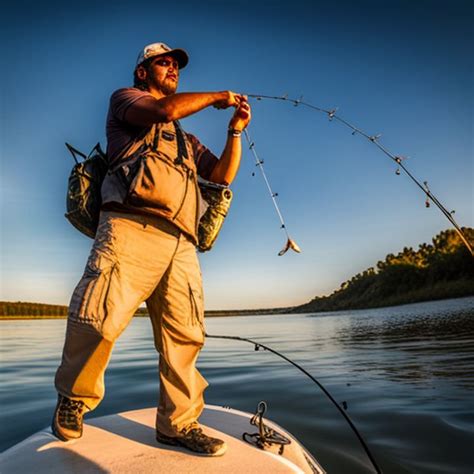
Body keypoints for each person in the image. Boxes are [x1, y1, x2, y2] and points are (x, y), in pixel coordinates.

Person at [52, 42, 251, 457]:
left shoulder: (186, 138)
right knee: (101, 316)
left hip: (181, 242)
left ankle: (177, 424)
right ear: (143, 72)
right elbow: (164, 111)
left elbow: (220, 175)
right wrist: (216, 96)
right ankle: (74, 397)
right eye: (164, 62)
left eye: (177, 64)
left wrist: (234, 130)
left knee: (186, 335)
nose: (173, 68)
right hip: (130, 223)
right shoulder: (126, 101)